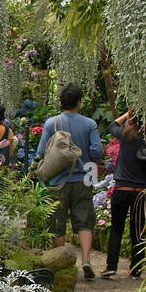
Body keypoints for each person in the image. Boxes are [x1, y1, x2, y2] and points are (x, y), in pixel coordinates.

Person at [34, 83, 104, 279]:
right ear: (79, 103)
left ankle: (65, 264)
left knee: (57, 221)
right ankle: (87, 260)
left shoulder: (51, 124)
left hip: (57, 181)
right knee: (84, 221)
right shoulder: (89, 124)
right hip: (83, 179)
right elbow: (97, 151)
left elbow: (41, 152)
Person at [101, 110, 146, 280]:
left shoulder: (125, 136)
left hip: (121, 189)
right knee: (138, 231)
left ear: (131, 120)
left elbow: (112, 125)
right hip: (141, 192)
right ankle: (136, 270)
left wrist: (127, 114)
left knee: (116, 229)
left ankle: (111, 266)